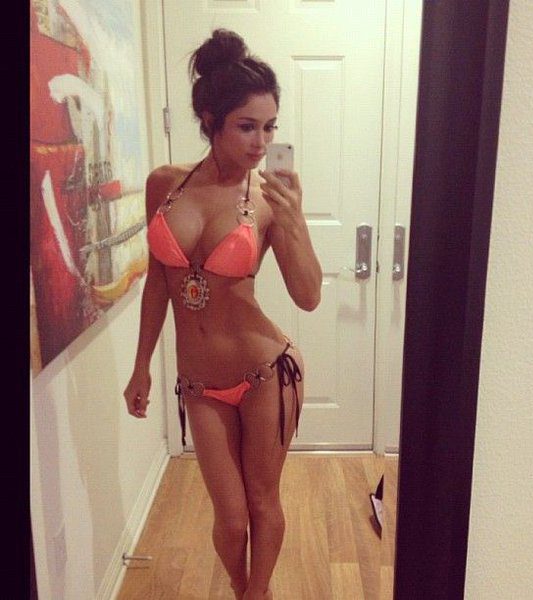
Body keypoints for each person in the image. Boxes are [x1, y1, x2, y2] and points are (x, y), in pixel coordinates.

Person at [123, 29, 322, 600]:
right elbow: (159, 283)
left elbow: (308, 296)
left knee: (262, 501)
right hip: (199, 383)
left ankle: (257, 595)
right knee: (231, 520)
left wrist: (295, 222)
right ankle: (244, 590)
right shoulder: (165, 185)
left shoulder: (268, 198)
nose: (262, 142)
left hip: (266, 373)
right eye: (247, 126)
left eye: (270, 127)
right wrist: (141, 365)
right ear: (210, 120)